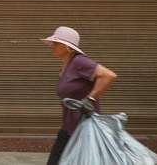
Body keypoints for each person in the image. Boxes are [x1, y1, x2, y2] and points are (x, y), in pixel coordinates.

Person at [42, 26, 118, 165]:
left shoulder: (79, 61)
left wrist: (90, 99)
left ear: (68, 47)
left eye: (56, 43)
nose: (52, 46)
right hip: (70, 127)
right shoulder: (68, 64)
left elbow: (109, 75)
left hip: (82, 128)